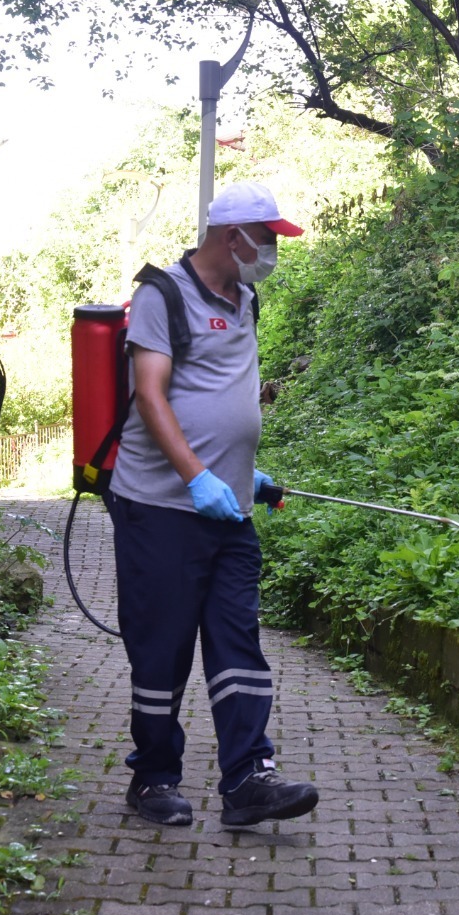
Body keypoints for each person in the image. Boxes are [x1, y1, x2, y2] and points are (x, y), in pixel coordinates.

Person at [105, 182, 319, 828]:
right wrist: (199, 477)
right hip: (160, 511)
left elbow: (229, 397)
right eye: (268, 238)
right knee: (163, 648)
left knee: (237, 641)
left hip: (229, 517)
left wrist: (246, 474)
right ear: (234, 237)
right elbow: (151, 395)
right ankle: (153, 778)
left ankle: (249, 778)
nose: (273, 250)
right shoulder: (160, 296)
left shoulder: (246, 299)